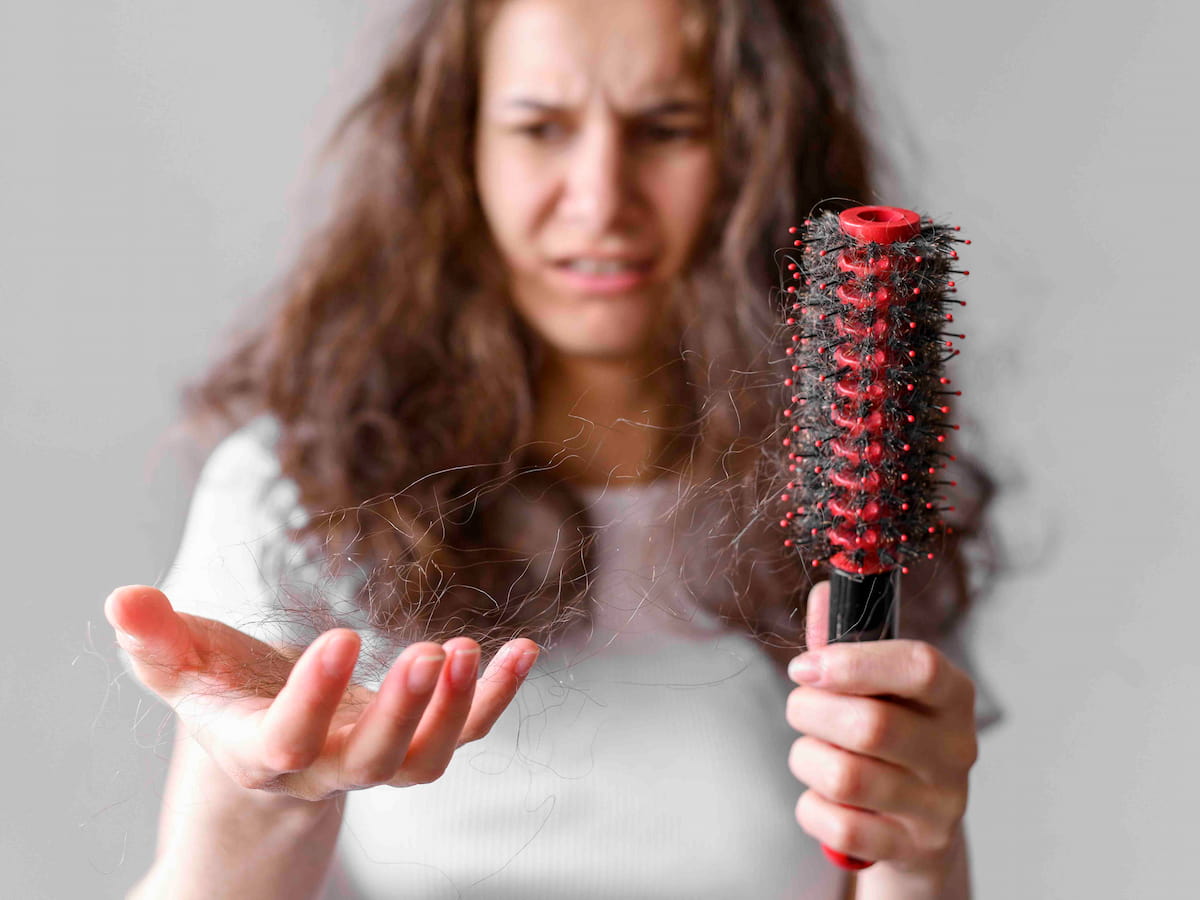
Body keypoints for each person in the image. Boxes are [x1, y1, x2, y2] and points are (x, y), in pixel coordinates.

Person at [105, 1, 988, 897]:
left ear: (757, 149)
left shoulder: (856, 493)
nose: (601, 197)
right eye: (540, 128)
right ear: (462, 148)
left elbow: (875, 858)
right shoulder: (295, 494)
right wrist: (266, 796)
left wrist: (918, 849)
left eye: (666, 127)